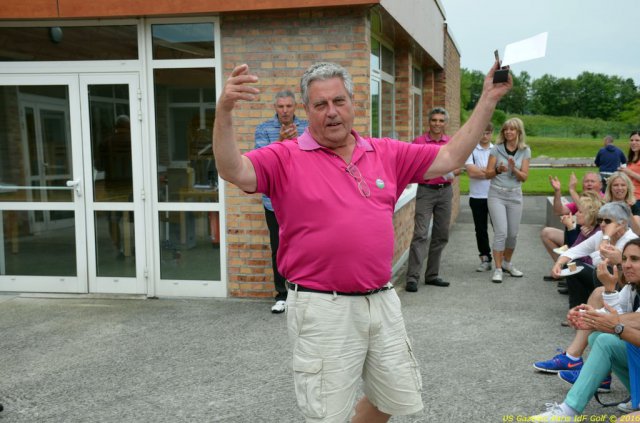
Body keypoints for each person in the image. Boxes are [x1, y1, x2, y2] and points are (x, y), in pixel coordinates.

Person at [212, 61, 511, 422]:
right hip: (322, 307)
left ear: (353, 103)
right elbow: (233, 169)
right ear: (307, 110)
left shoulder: (385, 152)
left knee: (393, 398)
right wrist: (224, 111)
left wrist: (488, 99)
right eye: (320, 104)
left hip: (381, 300)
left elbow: (450, 156)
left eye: (339, 101)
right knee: (327, 415)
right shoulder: (285, 156)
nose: (331, 111)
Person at [530, 238, 640, 421]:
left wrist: (602, 317)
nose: (626, 265)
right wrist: (585, 316)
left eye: (635, 259)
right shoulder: (632, 289)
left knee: (607, 339)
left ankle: (569, 410)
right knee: (597, 337)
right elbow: (616, 316)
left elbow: (627, 322)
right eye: (625, 259)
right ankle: (633, 395)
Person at [254, 90, 309, 313]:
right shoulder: (264, 129)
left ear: (295, 107)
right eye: (280, 106)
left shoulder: (308, 128)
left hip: (302, 199)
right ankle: (282, 294)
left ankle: (305, 291)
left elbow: (312, 158)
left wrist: (295, 143)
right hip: (273, 202)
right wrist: (281, 141)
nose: (285, 111)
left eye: (288, 106)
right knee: (278, 248)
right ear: (275, 108)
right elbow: (262, 162)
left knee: (305, 245)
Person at [405, 107, 461, 292]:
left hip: (445, 192)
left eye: (441, 121)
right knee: (420, 234)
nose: (437, 123)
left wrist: (451, 171)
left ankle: (432, 275)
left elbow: (458, 166)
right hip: (426, 192)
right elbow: (411, 165)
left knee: (441, 235)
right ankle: (412, 278)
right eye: (434, 120)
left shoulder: (451, 143)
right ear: (429, 122)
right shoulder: (419, 142)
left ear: (446, 123)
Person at [485, 118, 530, 283]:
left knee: (512, 235)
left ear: (518, 132)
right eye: (506, 129)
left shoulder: (525, 150)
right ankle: (498, 269)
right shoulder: (496, 149)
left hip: (515, 196)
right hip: (497, 194)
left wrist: (513, 168)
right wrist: (498, 170)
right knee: (501, 233)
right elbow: (487, 174)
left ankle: (507, 263)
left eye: (512, 129)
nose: (508, 132)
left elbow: (524, 177)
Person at [540, 172, 602, 274]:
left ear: (600, 185)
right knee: (547, 233)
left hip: (590, 257)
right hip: (580, 243)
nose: (589, 184)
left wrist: (572, 190)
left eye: (592, 181)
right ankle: (561, 268)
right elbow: (558, 211)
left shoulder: (602, 200)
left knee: (573, 260)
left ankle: (567, 271)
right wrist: (557, 191)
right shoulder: (584, 199)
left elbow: (575, 249)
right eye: (586, 181)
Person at [464, 122, 495, 272]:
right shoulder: (471, 150)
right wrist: (491, 171)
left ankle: (501, 260)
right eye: (482, 133)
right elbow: (472, 172)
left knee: (500, 229)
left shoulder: (496, 150)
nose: (485, 136)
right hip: (477, 196)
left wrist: (482, 170)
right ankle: (485, 258)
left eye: (488, 133)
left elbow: (500, 172)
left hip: (495, 196)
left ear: (492, 134)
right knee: (481, 229)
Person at [618, 130, 640, 209]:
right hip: (629, 197)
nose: (633, 142)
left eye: (637, 140)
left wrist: (630, 172)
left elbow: (631, 173)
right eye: (631, 140)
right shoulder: (631, 158)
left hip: (638, 199)